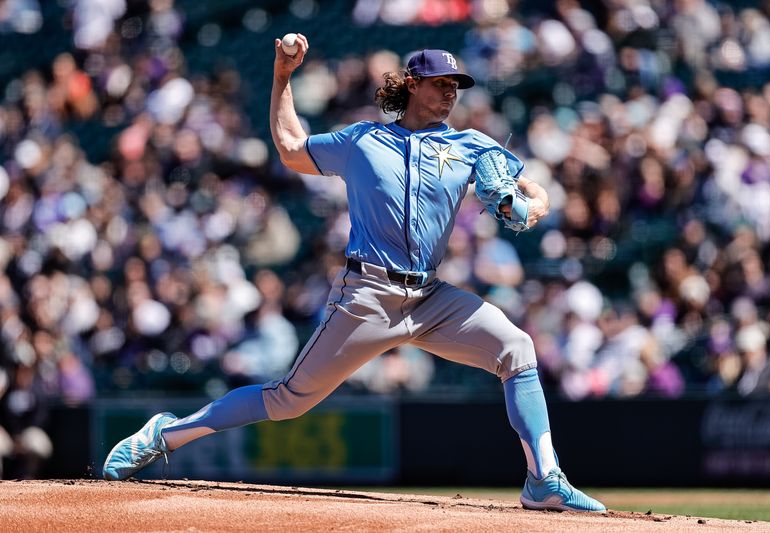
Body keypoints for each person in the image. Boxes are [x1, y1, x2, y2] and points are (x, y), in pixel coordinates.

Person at [103, 34, 605, 513]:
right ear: (412, 83)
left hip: (431, 298)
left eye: (457, 86)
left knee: (517, 348)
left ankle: (544, 480)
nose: (451, 92)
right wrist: (283, 76)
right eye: (441, 83)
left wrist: (530, 205)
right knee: (287, 401)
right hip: (368, 293)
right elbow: (290, 147)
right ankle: (164, 434)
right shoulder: (363, 140)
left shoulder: (473, 145)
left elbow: (531, 189)